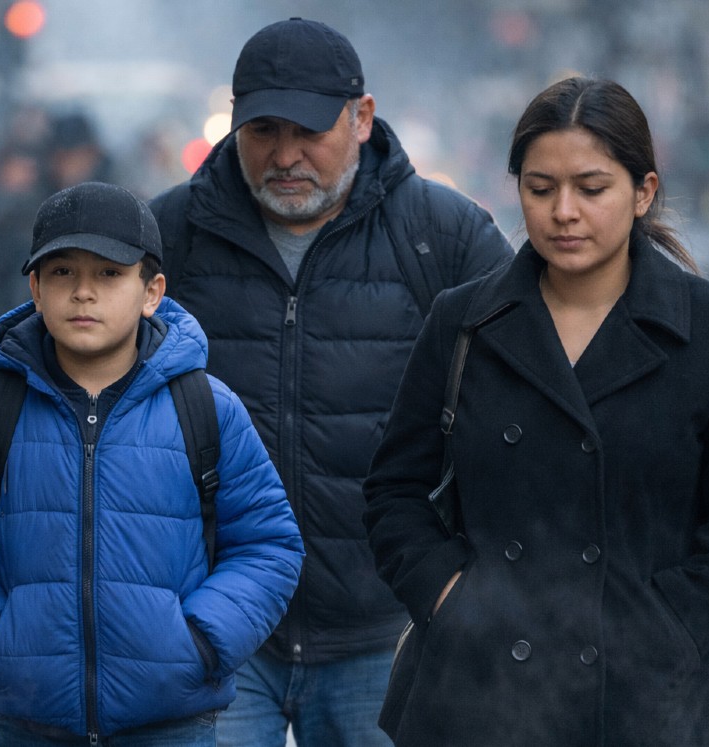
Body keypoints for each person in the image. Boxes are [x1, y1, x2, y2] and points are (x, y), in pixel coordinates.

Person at [147, 17, 513, 747]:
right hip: (214, 625)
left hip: (389, 626)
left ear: (363, 118)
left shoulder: (444, 237)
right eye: (263, 131)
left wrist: (461, 585)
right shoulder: (170, 235)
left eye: (308, 131)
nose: (285, 155)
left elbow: (521, 413)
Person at [363, 76, 709, 746]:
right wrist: (452, 597)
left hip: (648, 698)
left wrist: (674, 618)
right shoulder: (464, 320)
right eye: (540, 187)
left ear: (642, 192)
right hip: (477, 691)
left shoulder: (707, 328)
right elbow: (393, 490)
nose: (563, 211)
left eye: (591, 188)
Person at [0, 181, 305, 745]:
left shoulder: (204, 406)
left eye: (109, 274)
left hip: (172, 725)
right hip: (32, 725)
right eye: (63, 273)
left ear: (152, 291)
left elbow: (269, 544)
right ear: (36, 288)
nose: (83, 294)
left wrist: (201, 642)